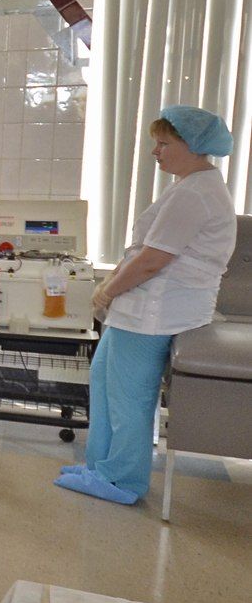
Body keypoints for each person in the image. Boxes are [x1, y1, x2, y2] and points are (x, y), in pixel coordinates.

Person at [56, 106, 238, 505]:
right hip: (141, 310)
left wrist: (107, 292)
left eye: (163, 143)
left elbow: (153, 260)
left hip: (154, 314)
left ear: (192, 145)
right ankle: (100, 467)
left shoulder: (195, 193)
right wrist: (112, 288)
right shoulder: (190, 185)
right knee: (104, 383)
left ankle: (122, 480)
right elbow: (145, 251)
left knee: (128, 400)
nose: (155, 151)